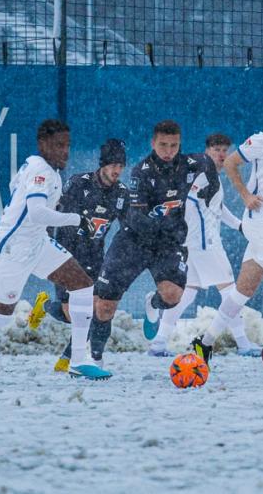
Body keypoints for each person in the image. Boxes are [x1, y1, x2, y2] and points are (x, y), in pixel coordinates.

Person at [0, 119, 112, 384]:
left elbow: (18, 194)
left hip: (36, 243)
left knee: (82, 284)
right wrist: (75, 219)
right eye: (58, 145)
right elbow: (36, 212)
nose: (65, 151)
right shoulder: (41, 170)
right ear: (43, 145)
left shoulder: (39, 167)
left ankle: (78, 360)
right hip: (10, 250)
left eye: (67, 145)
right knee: (0, 314)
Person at [89, 120, 220, 375]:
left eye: (174, 145)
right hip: (134, 241)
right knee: (104, 306)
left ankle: (153, 303)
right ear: (153, 143)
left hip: (167, 243)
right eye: (163, 145)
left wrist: (210, 190)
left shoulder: (192, 163)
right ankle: (94, 360)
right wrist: (164, 227)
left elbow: (209, 164)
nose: (168, 151)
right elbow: (138, 218)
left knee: (172, 297)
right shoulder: (142, 172)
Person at [191, 95, 263, 369]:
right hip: (259, 221)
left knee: (242, 291)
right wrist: (245, 195)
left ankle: (205, 342)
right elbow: (231, 163)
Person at [146, 133, 257, 357]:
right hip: (205, 245)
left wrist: (240, 226)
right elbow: (189, 202)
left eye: (225, 150)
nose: (221, 154)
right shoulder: (202, 174)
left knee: (187, 293)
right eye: (216, 150)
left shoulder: (210, 176)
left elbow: (217, 208)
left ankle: (158, 344)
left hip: (193, 245)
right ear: (207, 151)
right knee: (230, 292)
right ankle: (243, 344)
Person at [25, 139, 129, 373]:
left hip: (96, 257)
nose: (117, 170)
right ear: (102, 164)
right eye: (113, 164)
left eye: (121, 165)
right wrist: (49, 250)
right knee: (72, 314)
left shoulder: (122, 194)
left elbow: (129, 228)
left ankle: (81, 358)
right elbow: (53, 218)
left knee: (97, 311)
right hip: (67, 253)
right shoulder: (77, 184)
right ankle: (47, 306)